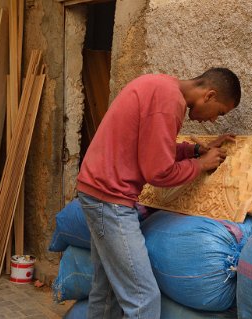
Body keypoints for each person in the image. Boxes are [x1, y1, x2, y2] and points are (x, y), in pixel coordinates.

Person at [76, 67, 241, 319]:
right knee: (143, 299)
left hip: (98, 191)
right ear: (209, 95)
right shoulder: (169, 102)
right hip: (109, 198)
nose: (213, 120)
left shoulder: (161, 86)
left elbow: (152, 146)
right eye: (219, 112)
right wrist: (201, 165)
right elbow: (159, 172)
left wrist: (195, 151)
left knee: (106, 289)